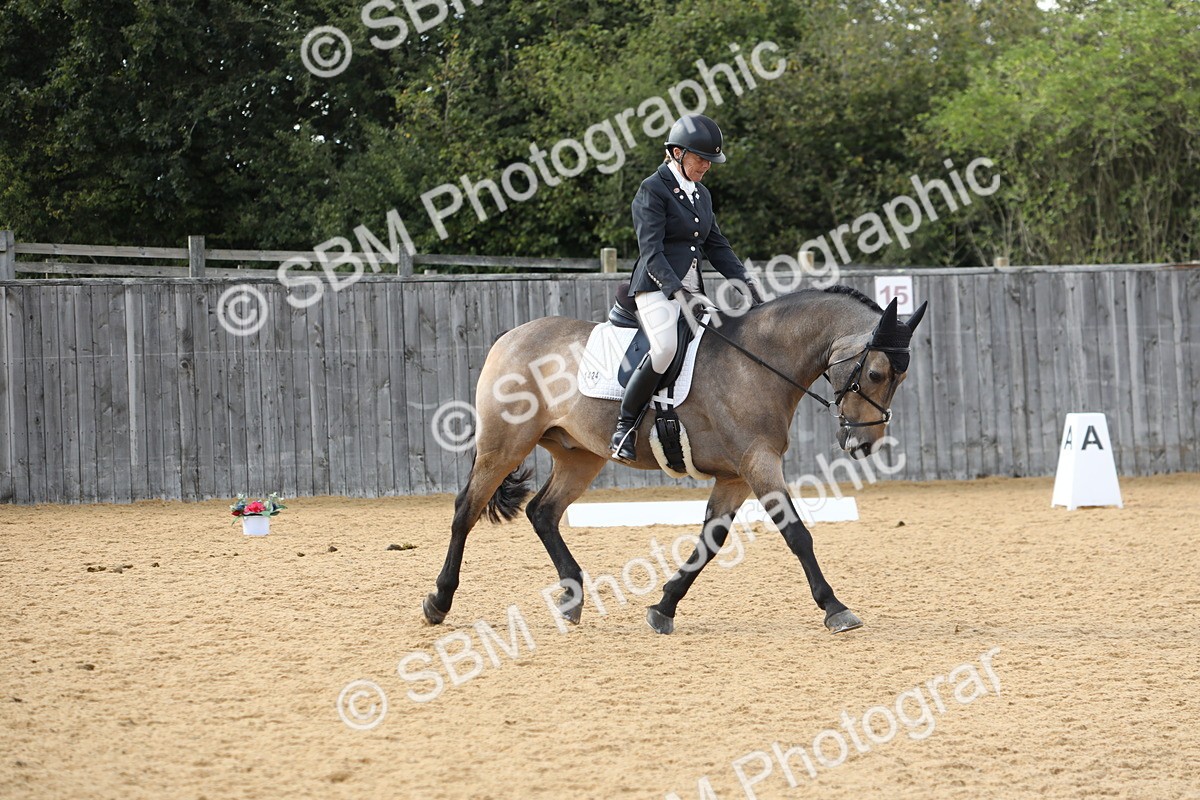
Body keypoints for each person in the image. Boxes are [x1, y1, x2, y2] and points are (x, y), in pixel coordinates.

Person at [609, 113, 765, 463]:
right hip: (657, 288)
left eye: (710, 161)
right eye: (700, 159)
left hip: (694, 293)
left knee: (726, 344)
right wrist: (678, 293)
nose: (706, 167)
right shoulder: (652, 189)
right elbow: (652, 252)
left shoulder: (702, 195)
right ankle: (624, 428)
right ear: (677, 153)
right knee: (664, 348)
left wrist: (746, 284)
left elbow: (717, 246)